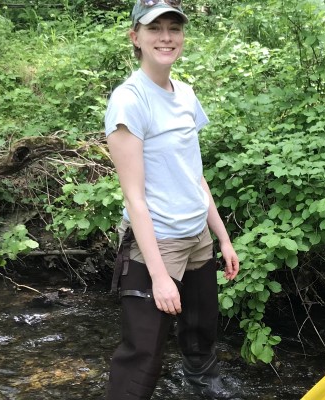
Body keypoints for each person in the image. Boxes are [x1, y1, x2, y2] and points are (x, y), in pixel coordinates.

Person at [102, 1, 241, 399]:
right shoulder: (130, 100)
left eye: (173, 28)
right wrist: (161, 276)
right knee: (142, 354)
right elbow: (134, 197)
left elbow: (194, 174)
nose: (166, 37)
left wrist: (223, 237)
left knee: (201, 334)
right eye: (154, 28)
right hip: (156, 242)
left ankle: (204, 389)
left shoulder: (185, 94)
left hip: (197, 235)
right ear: (136, 38)